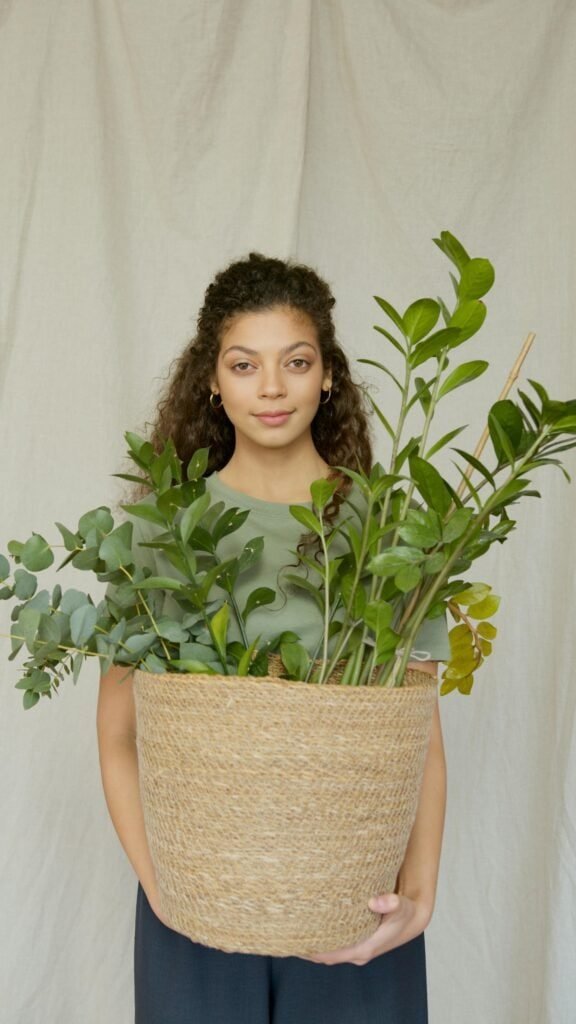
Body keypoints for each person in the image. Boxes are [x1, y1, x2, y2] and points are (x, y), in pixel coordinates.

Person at [97, 252, 448, 1024]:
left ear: (328, 375)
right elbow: (119, 727)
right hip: (197, 908)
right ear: (212, 383)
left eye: (295, 361)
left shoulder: (388, 530)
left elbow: (415, 728)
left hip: (354, 900)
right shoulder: (164, 532)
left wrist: (416, 896)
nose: (271, 387)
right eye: (244, 364)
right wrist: (162, 888)